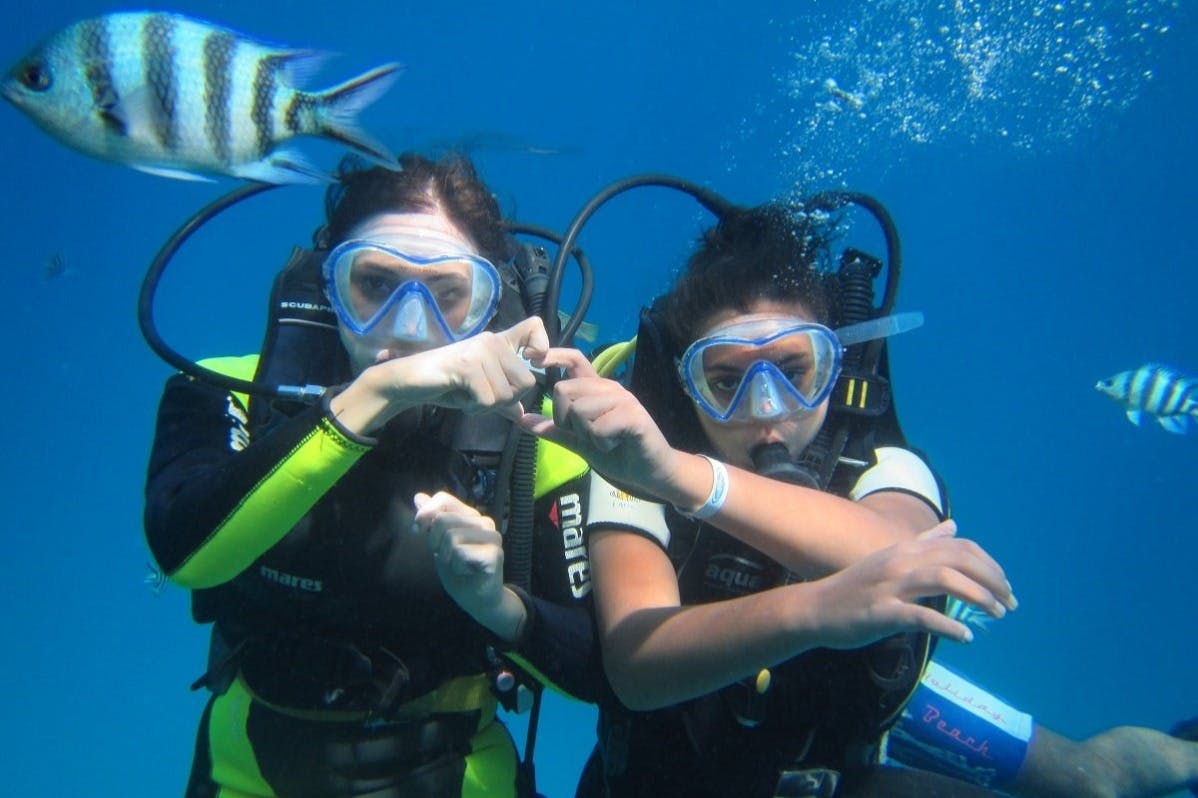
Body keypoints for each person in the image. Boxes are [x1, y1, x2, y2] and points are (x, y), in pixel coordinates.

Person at [511, 202, 1198, 798]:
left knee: (1091, 779)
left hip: (839, 752)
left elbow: (896, 553)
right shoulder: (631, 465)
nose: (767, 409)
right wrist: (813, 609)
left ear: (835, 370)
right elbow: (637, 670)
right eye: (726, 379)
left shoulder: (880, 462)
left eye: (793, 370)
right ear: (685, 385)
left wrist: (683, 475)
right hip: (669, 772)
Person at [143, 152, 604, 798]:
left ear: (487, 305)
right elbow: (186, 551)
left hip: (461, 765)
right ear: (329, 288)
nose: (412, 330)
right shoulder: (227, 389)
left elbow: (599, 670)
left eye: (448, 295)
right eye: (377, 284)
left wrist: (495, 605)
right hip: (246, 770)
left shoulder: (537, 437)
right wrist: (382, 391)